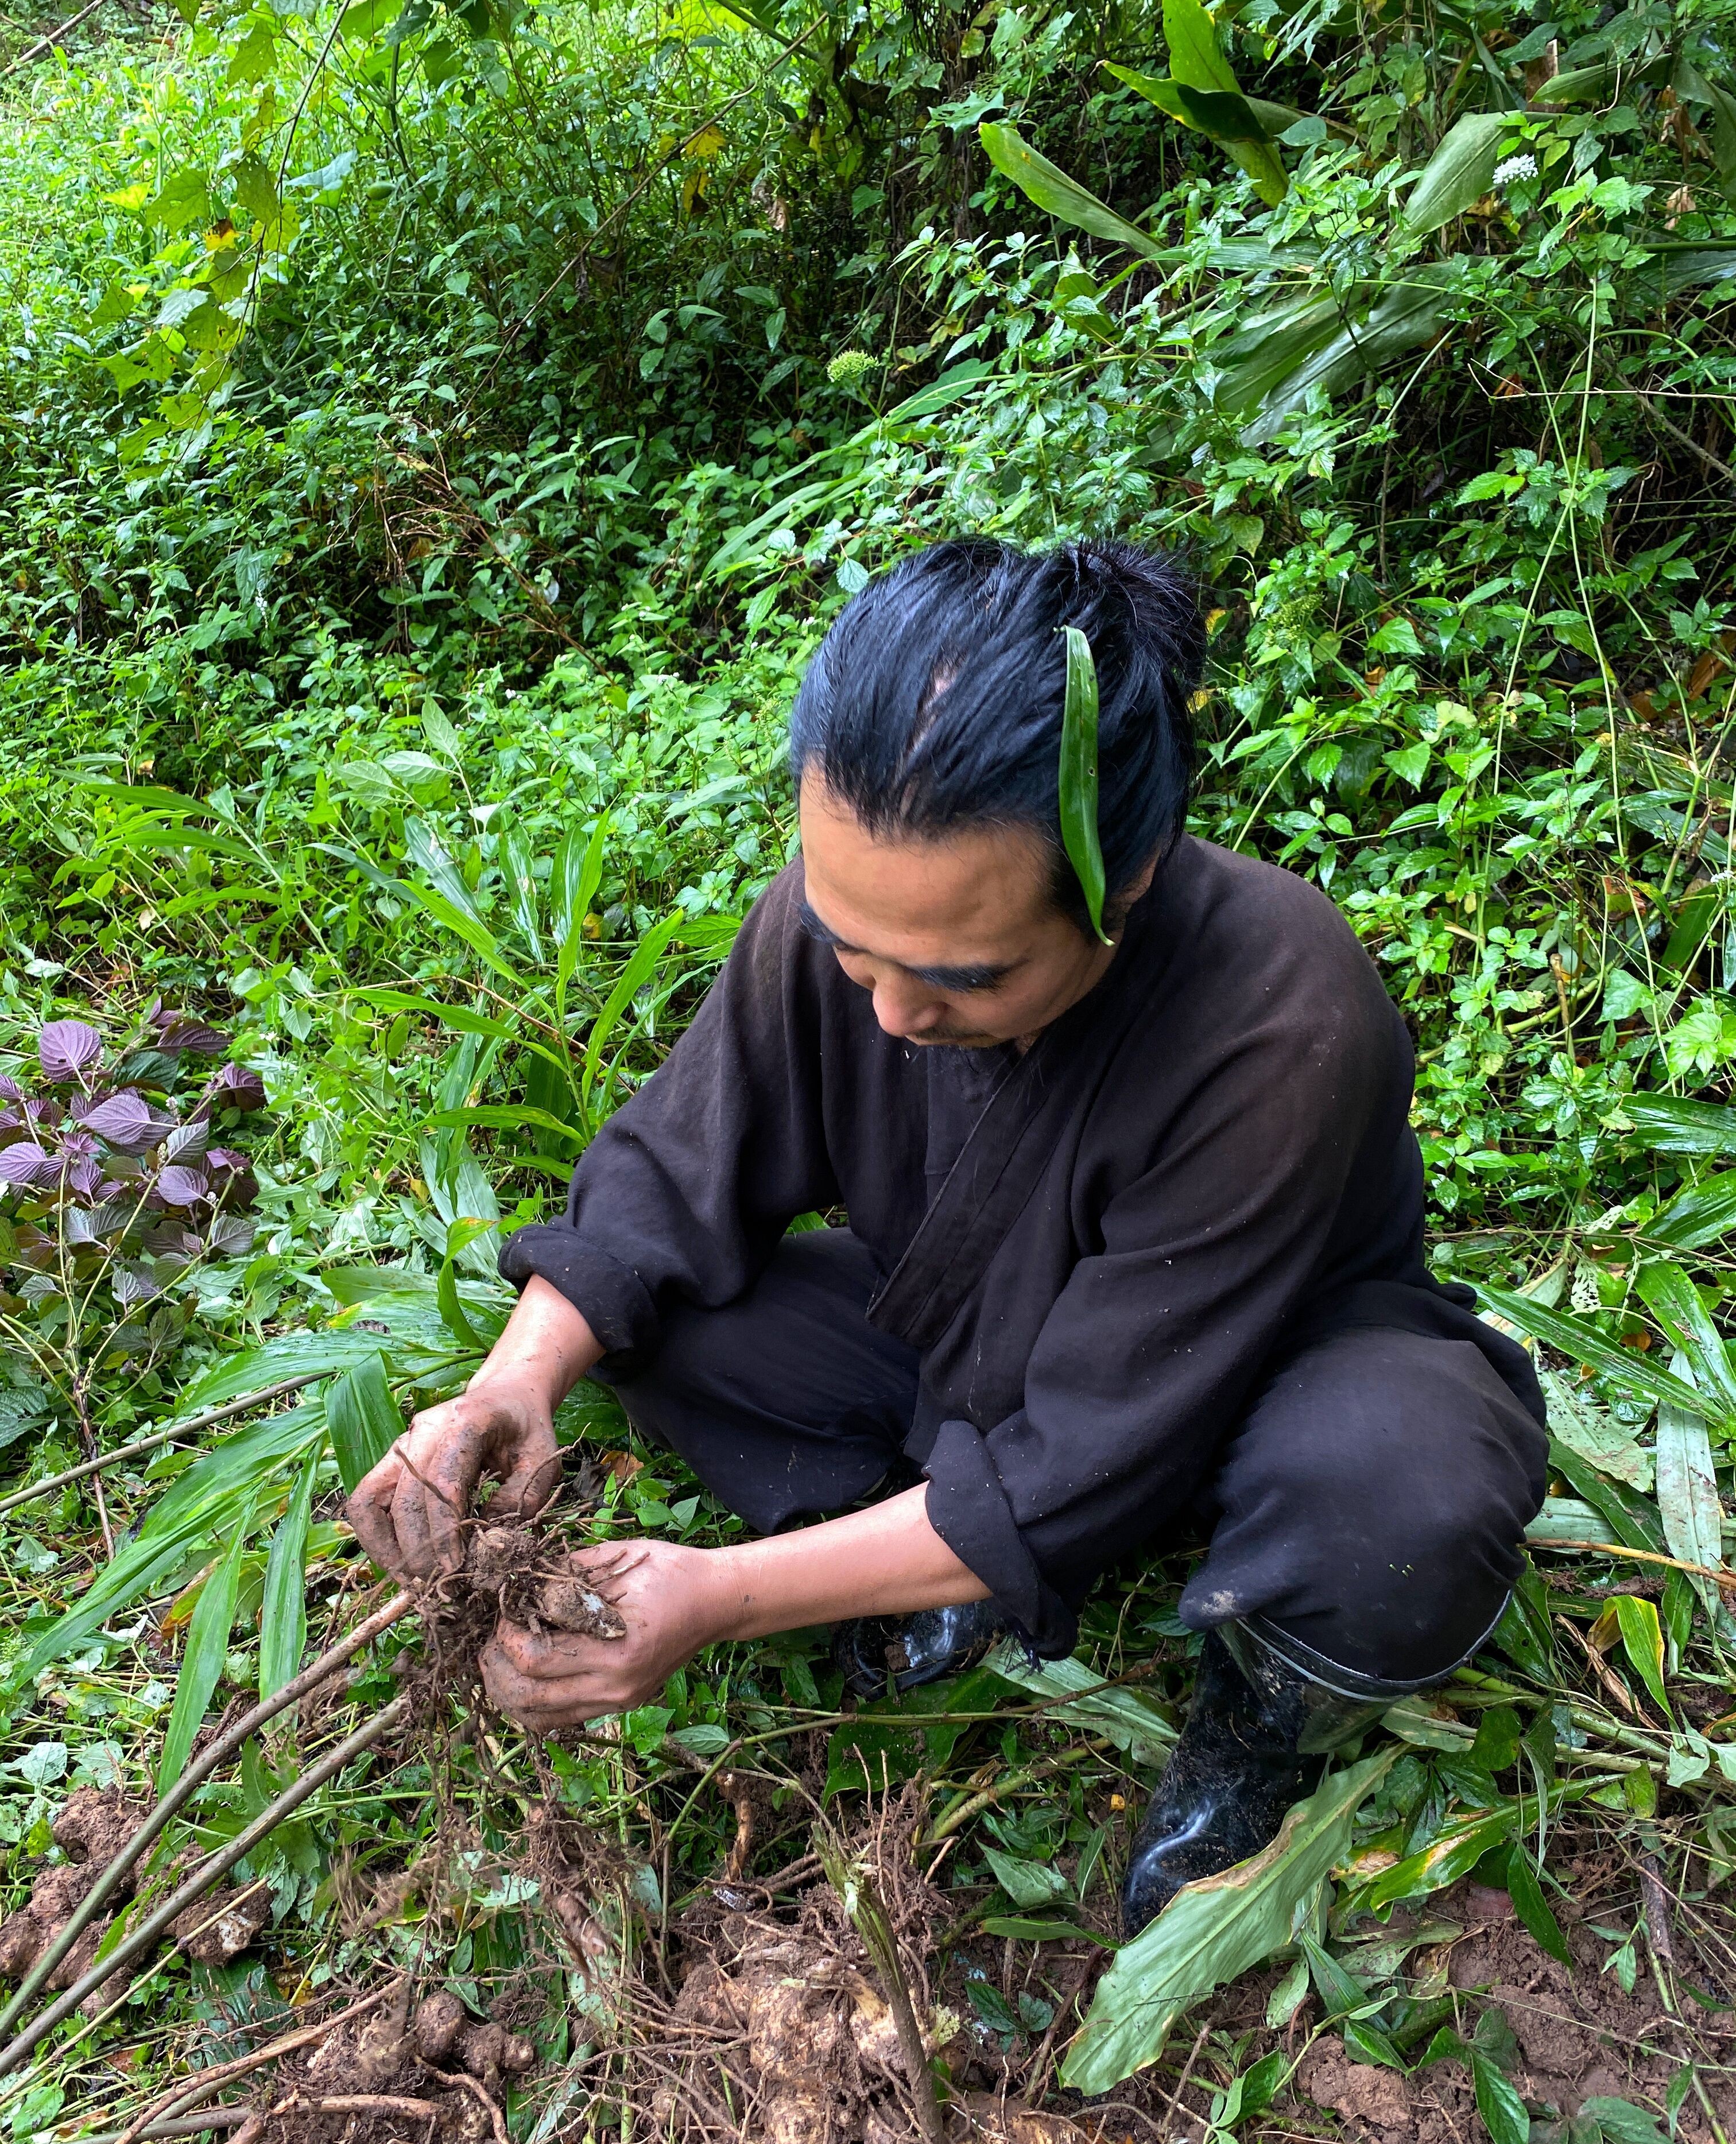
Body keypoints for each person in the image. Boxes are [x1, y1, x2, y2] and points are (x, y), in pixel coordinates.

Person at [347, 537, 1547, 1933]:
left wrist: (723, 1597)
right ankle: (926, 1562)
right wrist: (512, 1378)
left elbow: (1086, 1455)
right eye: (855, 954)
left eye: (962, 978)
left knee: (1397, 1497)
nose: (892, 1017)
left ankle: (1258, 1724)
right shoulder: (846, 918)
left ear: (1132, 874)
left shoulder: (1282, 1016)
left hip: (1263, 1375)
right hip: (979, 1339)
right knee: (654, 1323)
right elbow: (677, 1171)